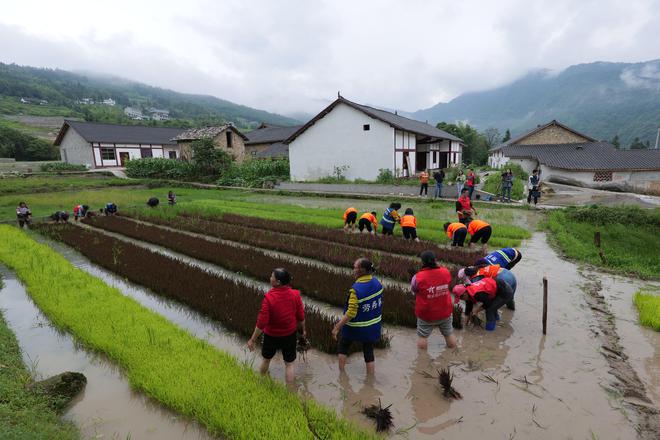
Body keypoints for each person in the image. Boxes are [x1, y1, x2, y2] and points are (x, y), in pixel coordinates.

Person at [247, 268, 305, 383]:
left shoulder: (269, 298)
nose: (270, 278)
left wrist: (252, 340)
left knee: (266, 360)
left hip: (271, 336)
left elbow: (261, 323)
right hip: (289, 335)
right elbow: (301, 317)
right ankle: (290, 394)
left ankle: (261, 383)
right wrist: (303, 331)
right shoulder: (295, 295)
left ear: (278, 282)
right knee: (289, 364)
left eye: (272, 276)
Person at [332, 258, 383, 375]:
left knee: (343, 346)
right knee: (368, 350)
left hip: (355, 326)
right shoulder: (377, 283)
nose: (353, 269)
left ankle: (342, 374)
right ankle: (370, 378)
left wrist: (337, 327)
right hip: (372, 325)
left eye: (355, 267)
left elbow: (351, 313)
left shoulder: (356, 290)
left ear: (361, 270)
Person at [411, 251, 457, 350]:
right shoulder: (445, 272)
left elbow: (414, 289)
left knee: (423, 336)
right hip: (445, 310)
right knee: (448, 333)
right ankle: (453, 354)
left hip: (426, 313)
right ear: (435, 260)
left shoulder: (418, 277)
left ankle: (422, 360)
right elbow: (448, 283)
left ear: (422, 262)